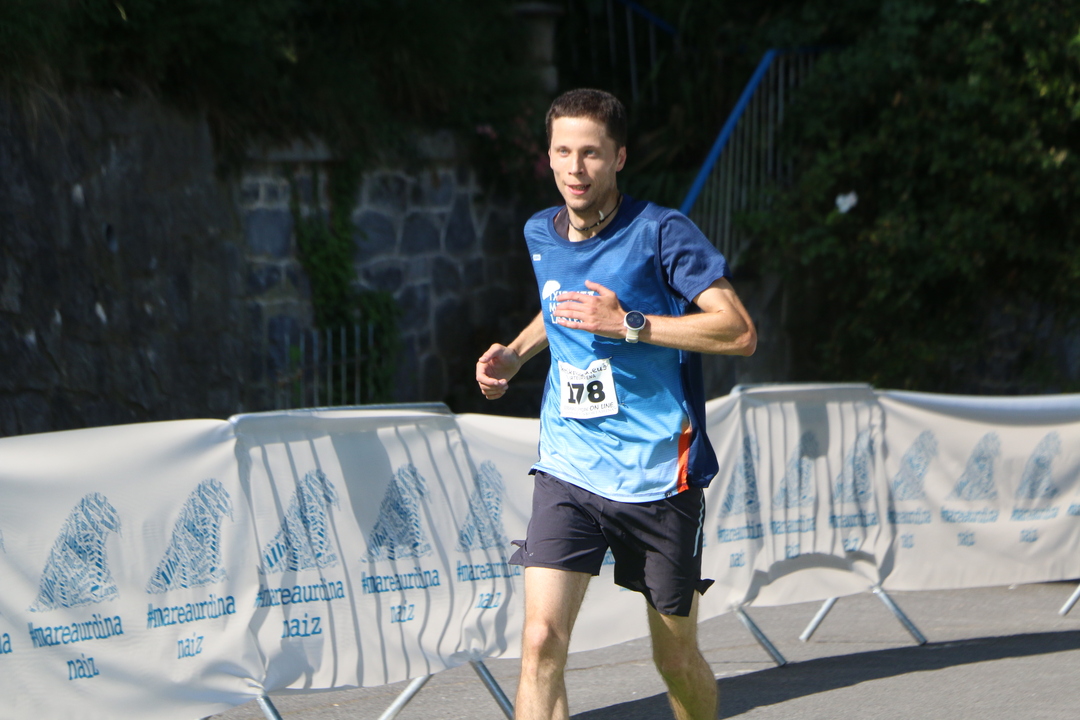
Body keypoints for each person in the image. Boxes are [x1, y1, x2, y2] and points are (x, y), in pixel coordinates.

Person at [475, 88, 756, 720]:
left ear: (619, 157)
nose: (575, 168)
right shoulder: (540, 231)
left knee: (674, 660)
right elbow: (560, 304)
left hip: (658, 478)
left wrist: (629, 324)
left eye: (591, 154)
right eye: (563, 152)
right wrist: (515, 355)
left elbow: (738, 331)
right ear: (548, 156)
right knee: (540, 642)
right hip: (569, 468)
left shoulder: (661, 232)